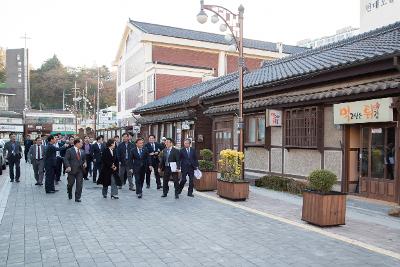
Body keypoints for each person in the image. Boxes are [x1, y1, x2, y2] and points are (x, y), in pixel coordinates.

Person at [64, 138, 86, 202]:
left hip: (80, 170)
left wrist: (85, 162)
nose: (82, 144)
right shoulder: (69, 150)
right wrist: (68, 166)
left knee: (79, 184)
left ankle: (77, 197)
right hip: (72, 170)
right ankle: (69, 191)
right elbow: (66, 159)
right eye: (81, 143)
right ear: (77, 143)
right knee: (70, 184)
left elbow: (84, 159)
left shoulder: (82, 151)